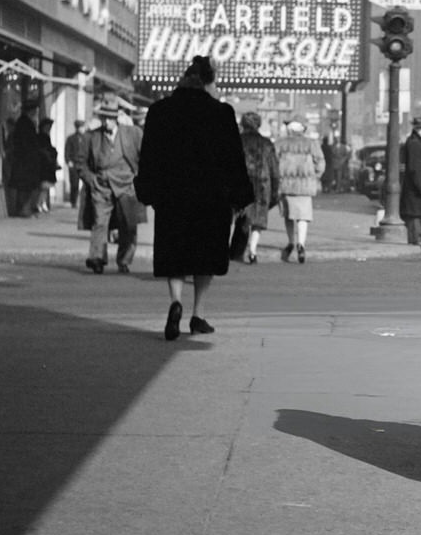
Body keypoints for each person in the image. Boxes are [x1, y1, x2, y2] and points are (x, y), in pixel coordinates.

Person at [134, 56, 253, 341]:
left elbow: (148, 156)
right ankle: (198, 315)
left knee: (174, 253)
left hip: (172, 196)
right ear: (209, 82)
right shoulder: (222, 113)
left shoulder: (159, 111)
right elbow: (233, 159)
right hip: (211, 198)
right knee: (205, 256)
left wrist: (149, 191)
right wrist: (240, 196)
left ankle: (175, 301)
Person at [82, 95, 143, 274]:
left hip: (126, 184)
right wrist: (91, 179)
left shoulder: (132, 134)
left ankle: (124, 259)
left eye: (109, 118)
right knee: (99, 222)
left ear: (116, 119)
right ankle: (97, 258)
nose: (106, 121)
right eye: (104, 117)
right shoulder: (93, 137)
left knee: (129, 225)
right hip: (102, 186)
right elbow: (81, 163)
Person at [275, 116, 325, 263]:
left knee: (288, 216)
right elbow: (320, 162)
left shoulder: (280, 143)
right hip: (305, 186)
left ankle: (290, 241)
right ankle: (301, 244)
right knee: (303, 216)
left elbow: (273, 162)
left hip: (286, 185)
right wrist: (315, 176)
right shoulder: (311, 143)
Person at [234, 111, 279, 264]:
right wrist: (275, 191)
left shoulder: (236, 141)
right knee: (258, 220)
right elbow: (274, 170)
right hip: (262, 184)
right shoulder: (267, 144)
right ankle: (253, 250)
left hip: (240, 183)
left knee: (240, 217)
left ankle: (235, 250)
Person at [400, 115, 421, 246]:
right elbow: (415, 168)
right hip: (415, 187)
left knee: (416, 215)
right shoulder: (415, 144)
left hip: (414, 186)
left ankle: (417, 239)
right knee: (415, 215)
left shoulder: (415, 142)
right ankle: (417, 240)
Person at [9, 99, 42, 217]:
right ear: (31, 111)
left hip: (23, 160)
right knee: (25, 187)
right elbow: (27, 143)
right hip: (25, 161)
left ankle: (23, 209)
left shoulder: (24, 122)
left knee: (24, 186)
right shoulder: (26, 124)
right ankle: (24, 209)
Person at [35, 117, 59, 214]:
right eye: (48, 126)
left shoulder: (46, 136)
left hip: (48, 164)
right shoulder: (42, 137)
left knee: (46, 186)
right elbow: (43, 149)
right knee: (44, 185)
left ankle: (42, 203)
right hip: (44, 164)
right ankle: (39, 203)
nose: (49, 128)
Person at [64, 118, 88, 209]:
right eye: (80, 127)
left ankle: (84, 201)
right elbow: (67, 151)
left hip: (83, 163)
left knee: (86, 183)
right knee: (74, 184)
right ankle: (73, 201)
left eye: (82, 127)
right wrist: (68, 161)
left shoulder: (86, 138)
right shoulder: (71, 138)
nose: (81, 129)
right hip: (74, 163)